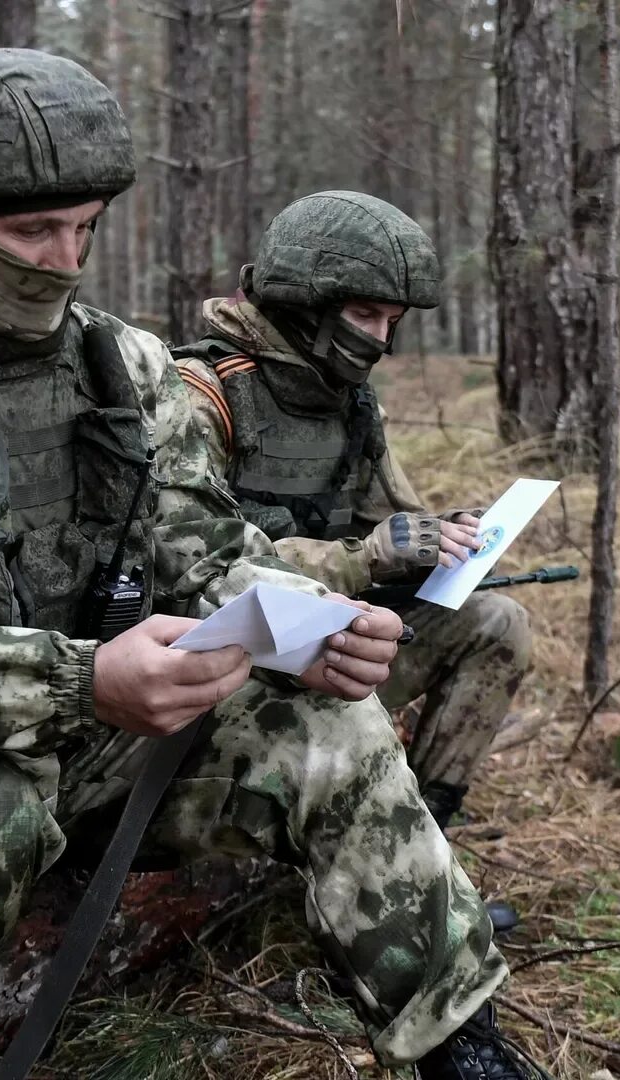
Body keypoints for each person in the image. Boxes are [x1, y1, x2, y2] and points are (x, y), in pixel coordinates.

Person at [0, 49, 541, 1080]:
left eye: (85, 228)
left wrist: (311, 627)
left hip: (109, 731)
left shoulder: (125, 365)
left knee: (334, 722)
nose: (63, 260)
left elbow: (209, 557)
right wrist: (77, 680)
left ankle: (462, 1045)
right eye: (30, 232)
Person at [173, 191, 533, 828]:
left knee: (497, 622)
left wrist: (444, 539)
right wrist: (367, 558)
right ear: (301, 304)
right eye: (365, 313)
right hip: (222, 670)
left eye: (392, 320)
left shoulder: (353, 404)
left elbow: (393, 522)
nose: (380, 339)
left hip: (333, 638)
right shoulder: (201, 397)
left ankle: (425, 835)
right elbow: (197, 571)